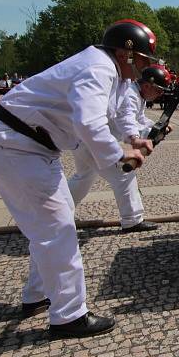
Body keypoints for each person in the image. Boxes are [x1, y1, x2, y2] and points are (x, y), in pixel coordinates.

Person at [0, 19, 158, 339]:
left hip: (23, 144)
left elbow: (112, 113)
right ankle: (69, 316)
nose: (144, 67)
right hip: (16, 144)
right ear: (124, 53)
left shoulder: (108, 70)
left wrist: (133, 136)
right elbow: (88, 122)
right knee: (58, 228)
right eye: (142, 59)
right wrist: (119, 156)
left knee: (47, 227)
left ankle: (36, 295)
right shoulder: (99, 68)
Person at [68, 64, 172, 235]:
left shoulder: (137, 94)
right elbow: (126, 121)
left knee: (83, 178)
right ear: (147, 85)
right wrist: (138, 137)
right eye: (159, 90)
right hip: (94, 143)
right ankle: (132, 220)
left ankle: (59, 212)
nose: (160, 95)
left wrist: (156, 127)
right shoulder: (131, 94)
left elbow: (138, 118)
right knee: (124, 175)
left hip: (86, 141)